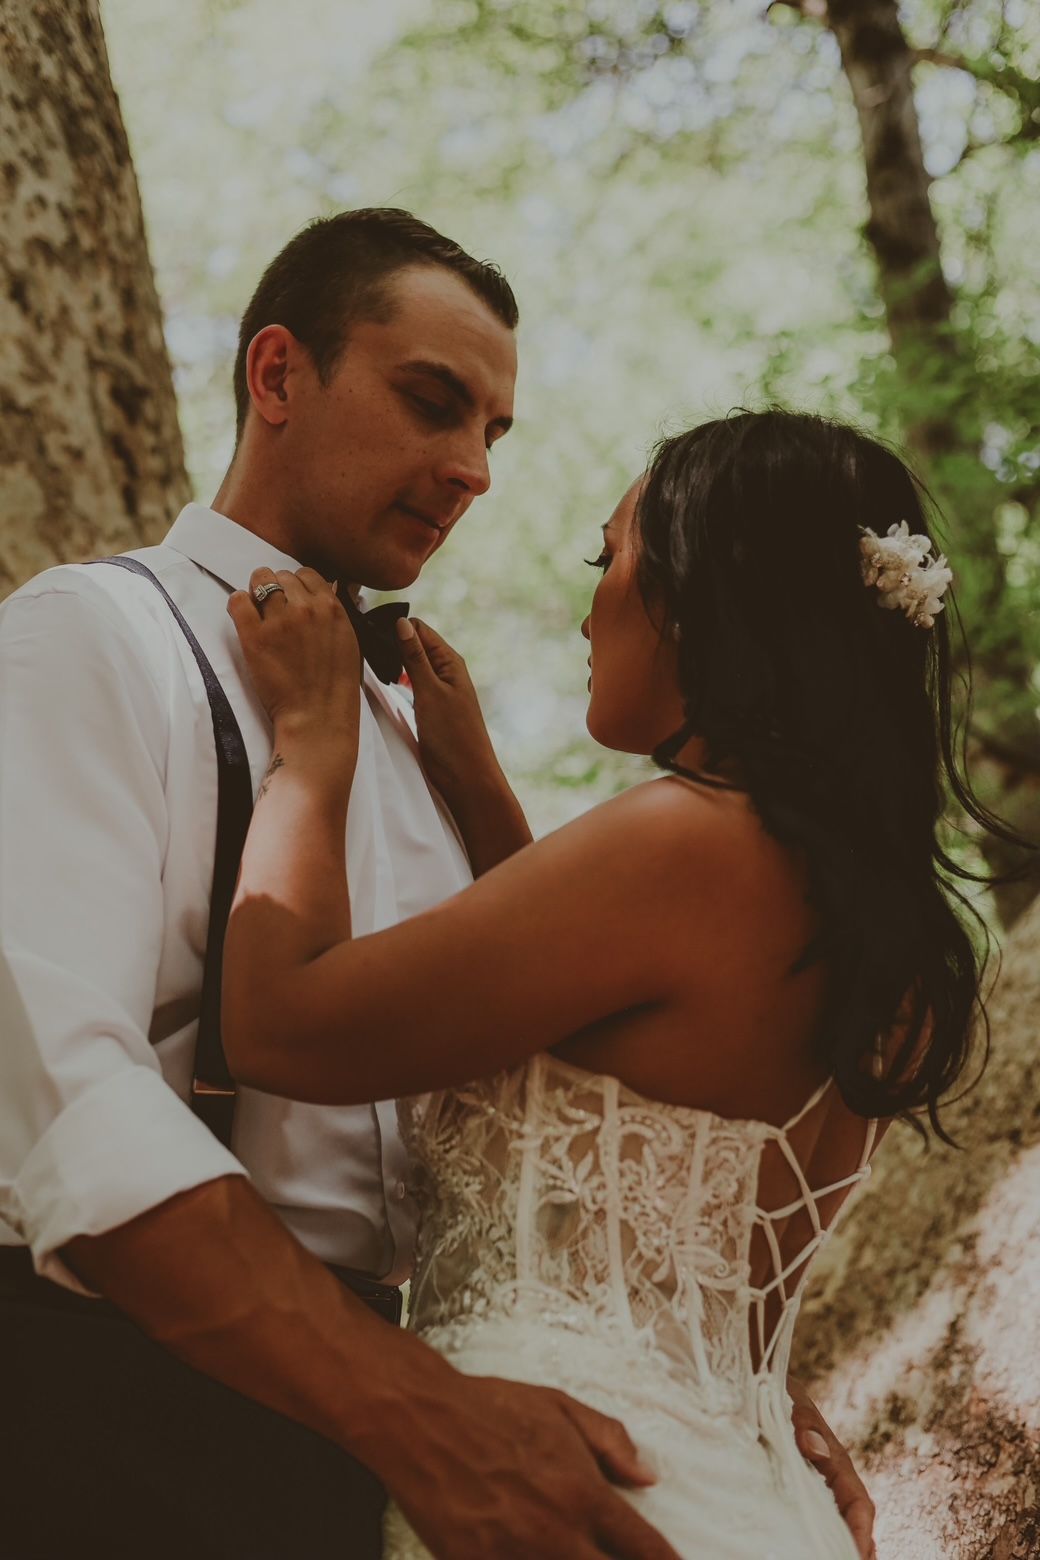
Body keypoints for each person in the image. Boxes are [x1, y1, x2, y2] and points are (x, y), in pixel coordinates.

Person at [0, 206, 870, 1559]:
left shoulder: (410, 733)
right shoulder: (90, 637)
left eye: (495, 435)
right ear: (279, 376)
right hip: (120, 1407)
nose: (471, 469)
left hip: (392, 1449)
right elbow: (71, 1097)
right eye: (431, 403)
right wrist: (413, 1414)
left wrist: (700, 1383)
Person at [220, 409, 1007, 1558]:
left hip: (570, 1487)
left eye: (611, 558)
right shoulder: (865, 920)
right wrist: (484, 794)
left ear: (698, 596)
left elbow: (279, 1026)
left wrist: (314, 734)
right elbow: (603, 1041)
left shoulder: (682, 847)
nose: (590, 603)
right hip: (742, 1497)